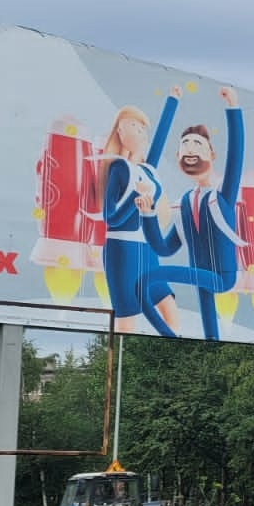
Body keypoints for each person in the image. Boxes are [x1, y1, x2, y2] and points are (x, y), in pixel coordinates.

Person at [139, 86, 246, 340]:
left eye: (197, 143)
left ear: (211, 154)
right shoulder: (183, 204)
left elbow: (236, 157)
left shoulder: (221, 197)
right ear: (177, 155)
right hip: (199, 275)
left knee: (149, 278)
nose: (190, 148)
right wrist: (148, 215)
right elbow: (164, 248)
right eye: (185, 144)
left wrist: (233, 106)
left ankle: (169, 333)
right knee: (211, 333)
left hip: (222, 277)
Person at [94, 90, 182, 334]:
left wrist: (173, 101)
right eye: (132, 125)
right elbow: (110, 218)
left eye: (142, 127)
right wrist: (135, 195)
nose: (140, 130)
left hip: (148, 250)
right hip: (122, 251)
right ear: (120, 133)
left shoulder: (148, 169)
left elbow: (161, 138)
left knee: (169, 306)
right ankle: (119, 367)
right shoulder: (119, 169)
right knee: (127, 318)